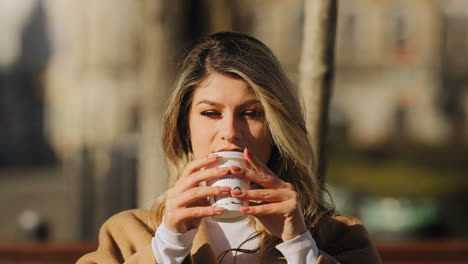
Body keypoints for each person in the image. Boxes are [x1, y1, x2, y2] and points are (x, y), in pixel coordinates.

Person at [77, 32, 381, 264]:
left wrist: (299, 244)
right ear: (185, 127)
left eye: (251, 113)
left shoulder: (339, 238)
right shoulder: (128, 234)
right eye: (211, 113)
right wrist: (168, 244)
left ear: (277, 128)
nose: (230, 133)